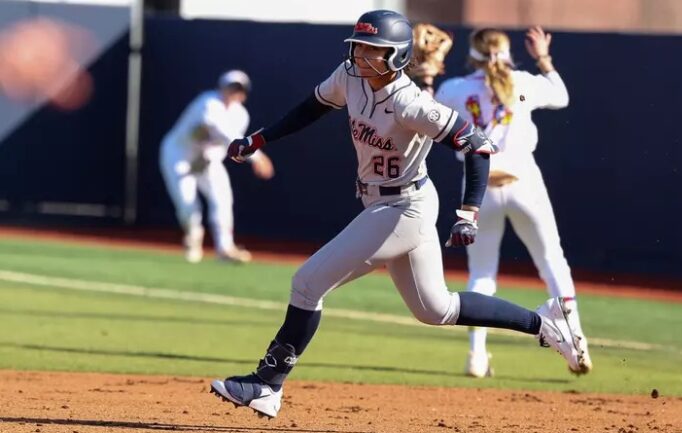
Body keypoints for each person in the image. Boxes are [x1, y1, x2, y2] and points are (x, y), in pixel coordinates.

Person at [210, 11, 587, 419]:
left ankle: (267, 384)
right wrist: (259, 138)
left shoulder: (410, 102)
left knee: (306, 283)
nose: (362, 55)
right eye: (359, 46)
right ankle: (545, 322)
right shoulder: (349, 76)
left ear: (397, 57)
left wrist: (469, 212)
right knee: (435, 309)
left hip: (405, 207)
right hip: (383, 202)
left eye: (374, 50)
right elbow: (312, 107)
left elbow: (478, 145)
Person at [435, 27, 592, 378]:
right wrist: (543, 57)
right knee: (552, 261)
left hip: (479, 186)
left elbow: (427, 113)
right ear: (508, 53)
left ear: (471, 55)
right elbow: (562, 96)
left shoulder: (455, 89)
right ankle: (576, 339)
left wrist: (428, 74)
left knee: (482, 273)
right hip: (524, 180)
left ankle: (477, 356)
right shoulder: (521, 82)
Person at [159, 70, 274, 263]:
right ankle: (193, 240)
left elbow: (229, 145)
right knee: (188, 206)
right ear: (221, 87)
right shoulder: (208, 102)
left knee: (223, 198)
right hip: (178, 155)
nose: (234, 92)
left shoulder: (240, 114)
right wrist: (257, 157)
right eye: (231, 87)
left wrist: (211, 158)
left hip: (209, 159)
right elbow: (221, 131)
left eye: (239, 89)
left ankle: (225, 248)